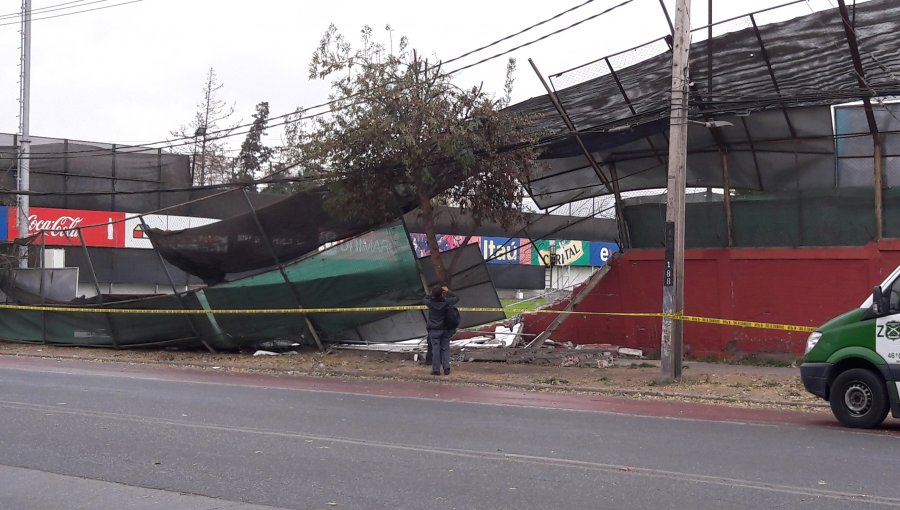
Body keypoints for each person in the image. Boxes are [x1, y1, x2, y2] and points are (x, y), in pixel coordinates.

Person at [424, 284, 459, 376]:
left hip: (434, 330)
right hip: (445, 329)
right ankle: (446, 368)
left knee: (435, 350)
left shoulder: (430, 303)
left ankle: (436, 370)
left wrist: (431, 294)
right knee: (445, 349)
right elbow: (457, 297)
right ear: (442, 293)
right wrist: (448, 291)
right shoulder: (447, 302)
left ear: (433, 294)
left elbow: (424, 299)